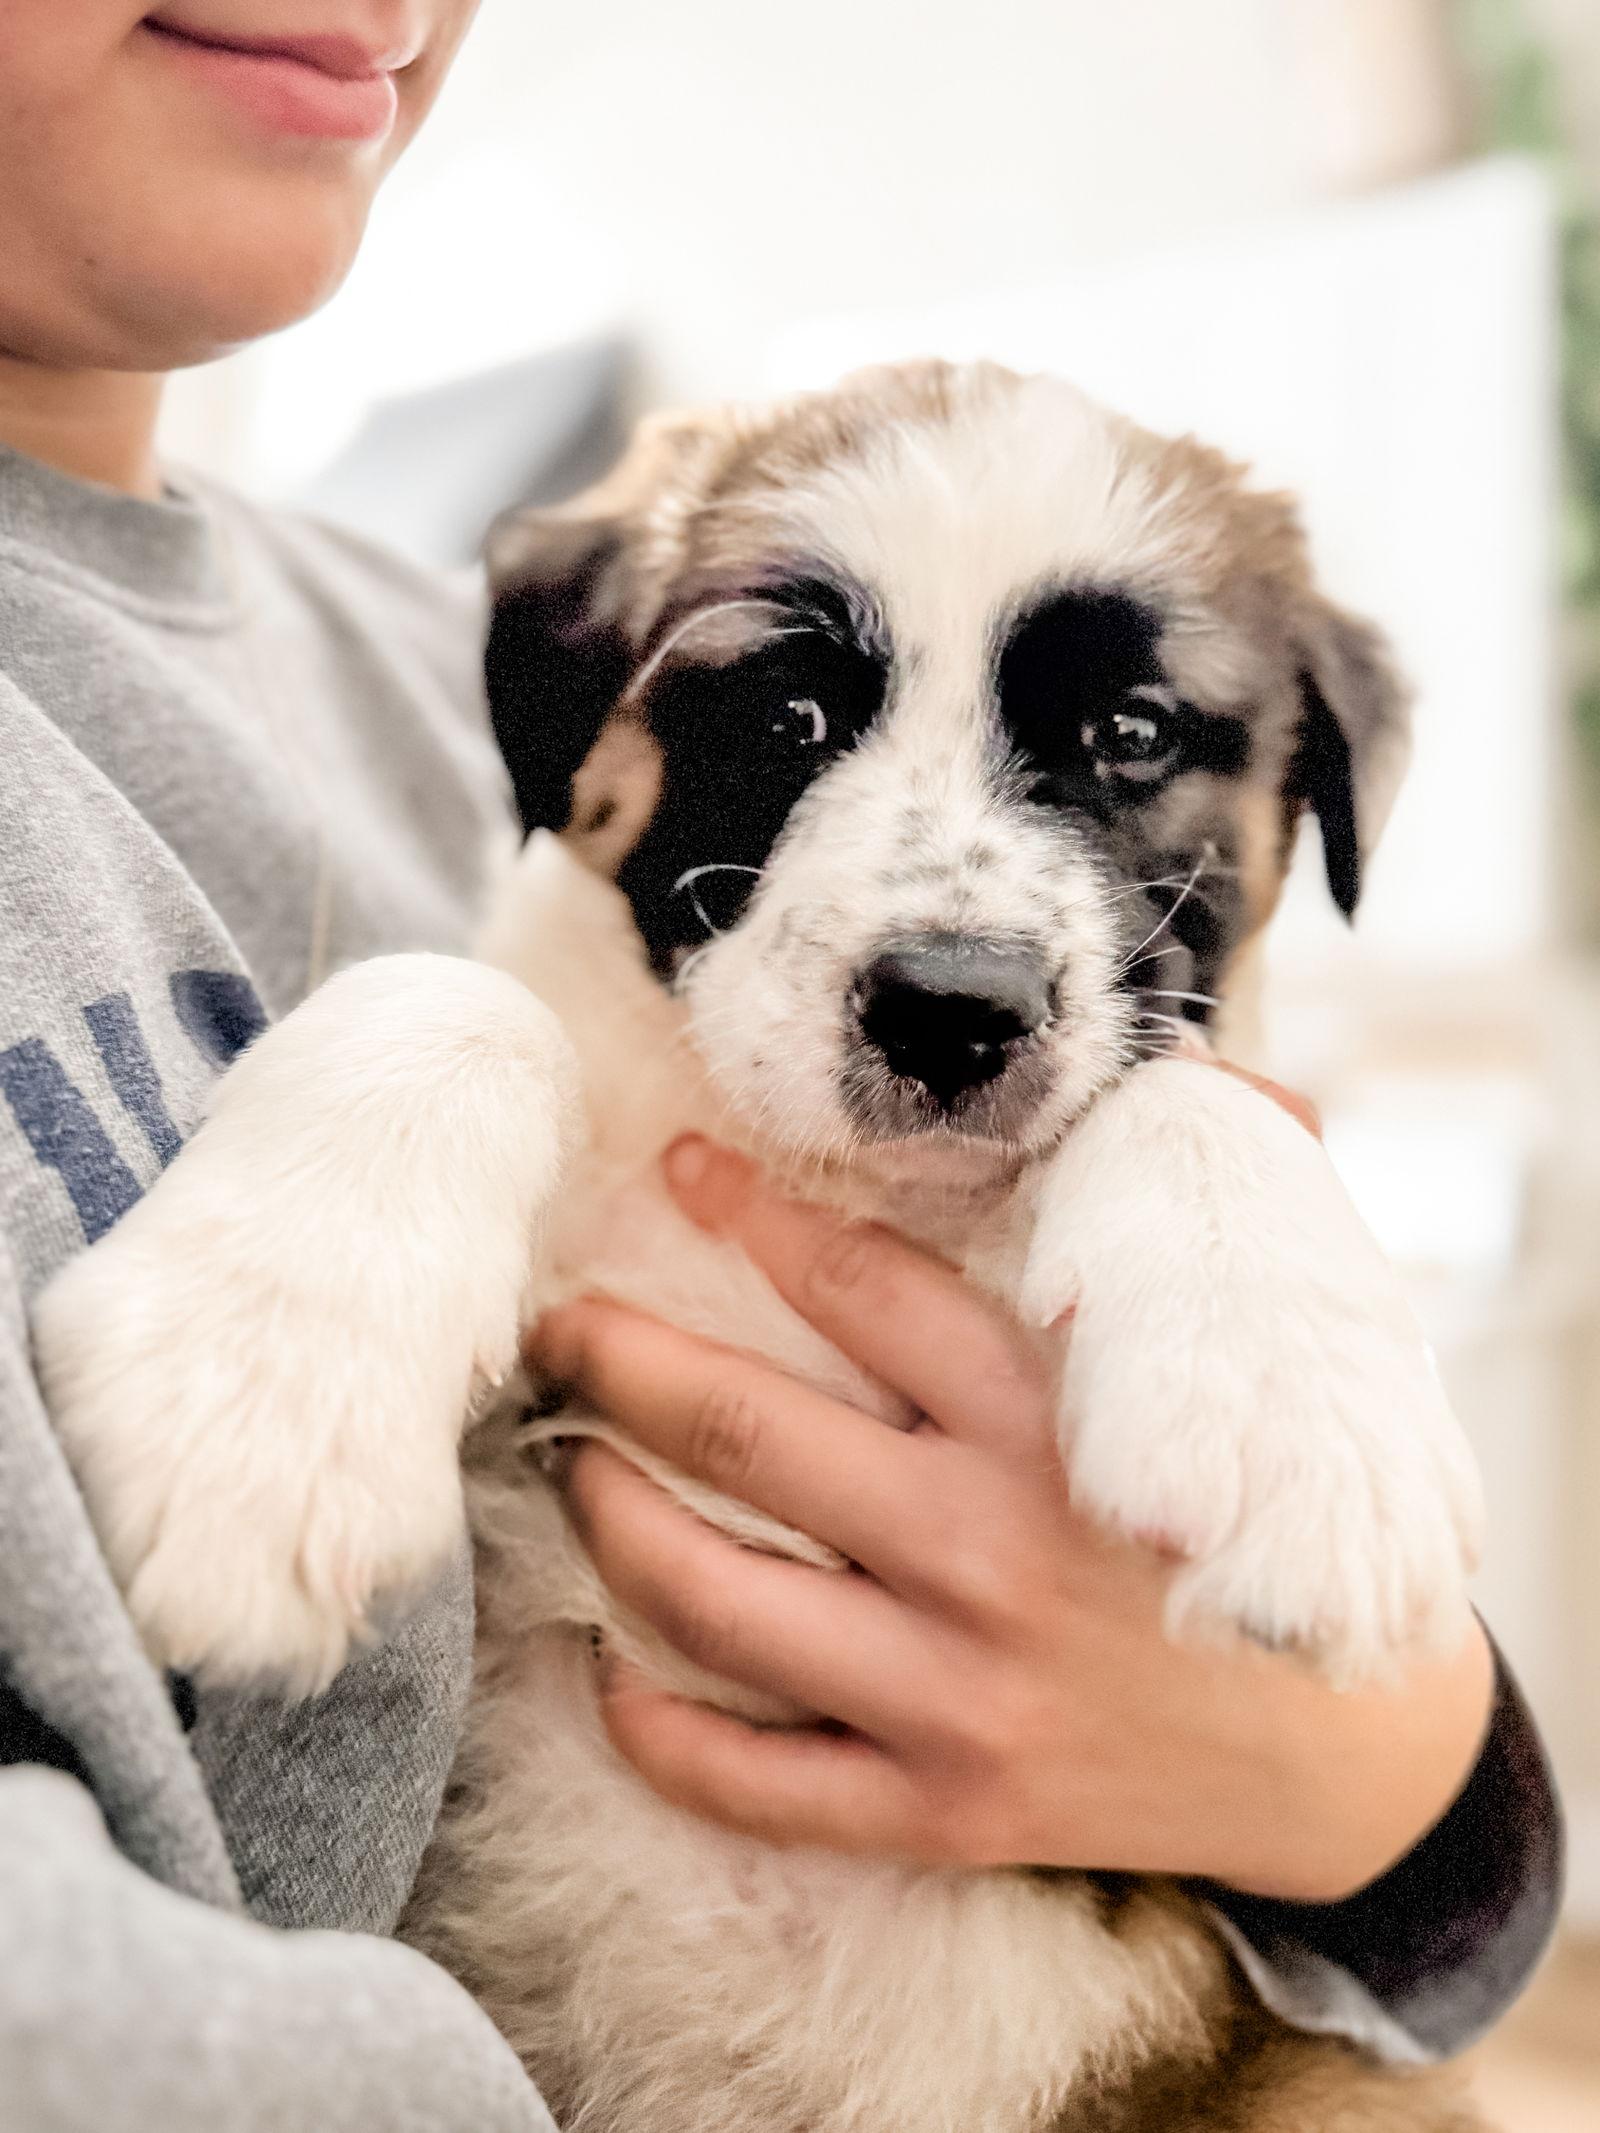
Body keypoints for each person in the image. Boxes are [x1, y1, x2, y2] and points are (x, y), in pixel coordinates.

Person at [0, 6, 1560, 2128]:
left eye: (1112, 745)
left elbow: (1414, 1893)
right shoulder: (512, 919)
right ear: (589, 725)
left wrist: (1395, 1781)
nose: (958, 901)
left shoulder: (389, 649)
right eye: (792, 711)